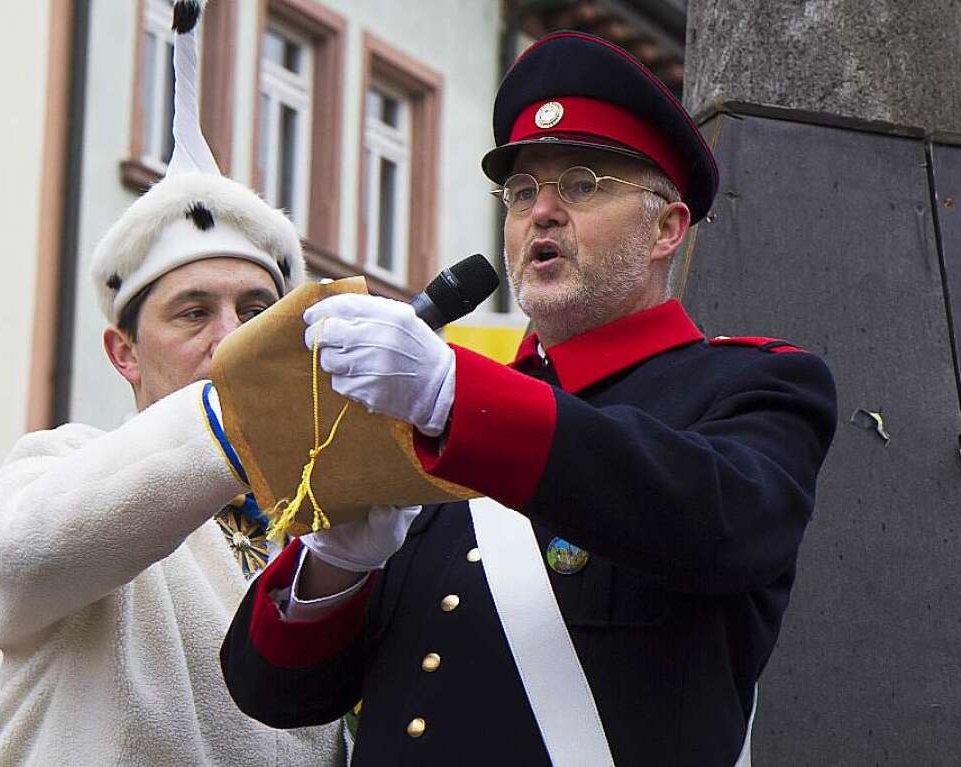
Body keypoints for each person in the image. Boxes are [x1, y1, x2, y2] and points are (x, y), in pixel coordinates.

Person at [220, 31, 837, 766]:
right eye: (520, 192)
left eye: (580, 184)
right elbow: (274, 694)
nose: (540, 212)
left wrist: (458, 398)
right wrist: (332, 566)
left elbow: (720, 525)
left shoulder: (753, 386)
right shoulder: (429, 411)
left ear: (665, 229)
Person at [0, 2, 341, 764]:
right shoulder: (60, 464)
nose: (232, 339)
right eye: (193, 312)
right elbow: (29, 547)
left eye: (255, 312)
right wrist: (240, 405)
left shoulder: (327, 522)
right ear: (124, 354)